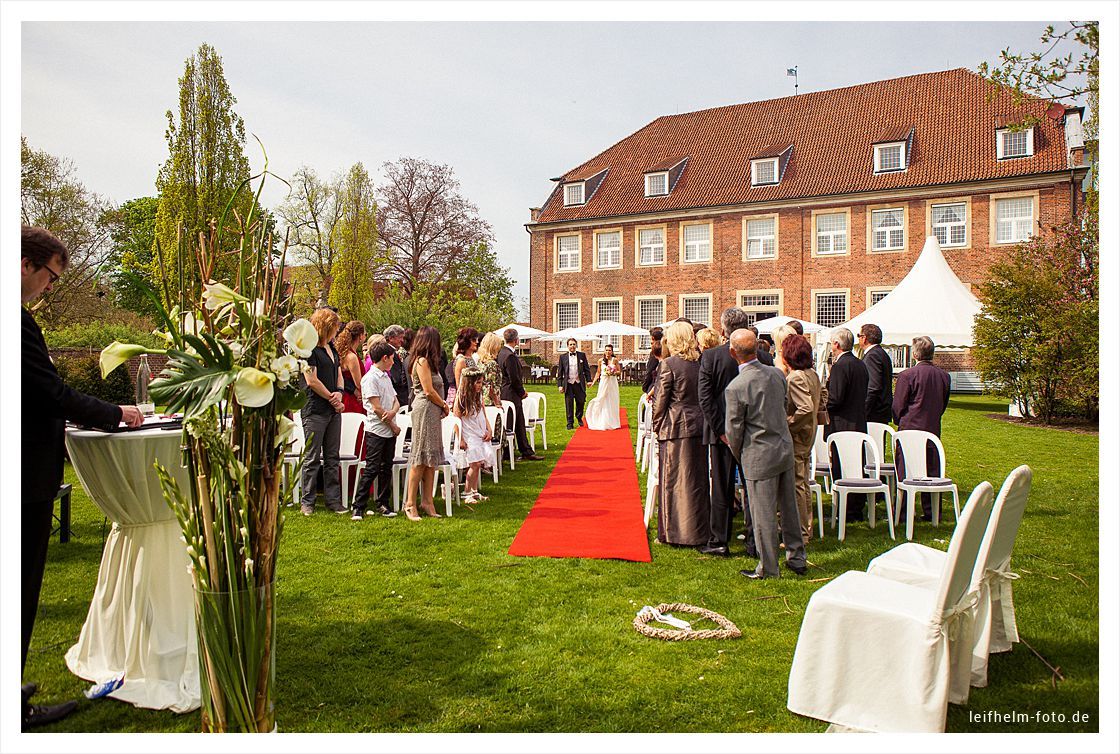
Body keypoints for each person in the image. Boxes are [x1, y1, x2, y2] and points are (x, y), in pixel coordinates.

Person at [20, 226, 144, 729]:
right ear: (26, 264)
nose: (51, 287)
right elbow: (49, 392)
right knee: (20, 585)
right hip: (24, 475)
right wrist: (116, 413)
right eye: (50, 275)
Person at [725, 328, 806, 579]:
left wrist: (739, 453)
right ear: (758, 349)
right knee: (789, 508)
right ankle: (797, 557)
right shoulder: (777, 375)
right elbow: (782, 407)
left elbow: (734, 430)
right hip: (783, 447)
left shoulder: (736, 387)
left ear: (732, 353)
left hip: (758, 454)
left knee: (763, 515)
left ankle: (768, 567)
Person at [697, 307, 755, 558]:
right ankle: (754, 540)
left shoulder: (711, 357)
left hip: (726, 435)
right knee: (751, 488)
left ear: (723, 329)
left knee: (722, 487)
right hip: (750, 432)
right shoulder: (760, 357)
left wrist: (720, 430)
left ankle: (720, 540)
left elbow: (705, 398)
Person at [651, 322, 710, 546]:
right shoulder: (700, 364)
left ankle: (672, 533)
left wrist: (657, 426)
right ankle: (698, 531)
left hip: (675, 427)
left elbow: (660, 401)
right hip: (698, 426)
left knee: (673, 482)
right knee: (696, 482)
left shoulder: (669, 364)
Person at [892, 336, 952, 523]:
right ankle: (932, 511)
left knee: (905, 470)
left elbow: (898, 404)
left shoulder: (907, 375)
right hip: (932, 427)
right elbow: (943, 403)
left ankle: (902, 512)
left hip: (910, 427)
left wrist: (898, 419)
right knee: (932, 469)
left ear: (915, 354)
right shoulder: (944, 376)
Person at [300, 308, 347, 516]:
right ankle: (307, 501)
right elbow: (311, 380)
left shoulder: (332, 348)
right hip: (315, 410)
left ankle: (333, 501)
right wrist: (331, 398)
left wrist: (339, 393)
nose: (337, 331)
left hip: (332, 409)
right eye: (335, 327)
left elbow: (338, 373)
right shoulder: (309, 350)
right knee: (312, 458)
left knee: (332, 457)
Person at [350, 341, 402, 520]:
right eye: (392, 359)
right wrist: (393, 424)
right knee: (372, 468)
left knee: (386, 467)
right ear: (384, 358)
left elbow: (395, 400)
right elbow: (376, 407)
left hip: (389, 429)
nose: (394, 362)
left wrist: (394, 412)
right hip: (377, 430)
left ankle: (383, 502)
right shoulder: (370, 378)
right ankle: (358, 505)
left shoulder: (386, 377)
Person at [404, 326, 451, 520]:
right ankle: (410, 503)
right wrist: (444, 405)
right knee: (420, 458)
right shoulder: (421, 361)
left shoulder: (431, 363)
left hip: (433, 411)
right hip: (424, 410)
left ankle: (427, 501)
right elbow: (428, 390)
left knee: (431, 458)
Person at [824, 327, 869, 521]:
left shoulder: (841, 366)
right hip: (858, 419)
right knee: (857, 465)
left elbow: (836, 398)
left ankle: (846, 508)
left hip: (842, 423)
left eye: (832, 343)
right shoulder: (860, 364)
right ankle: (856, 506)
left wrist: (823, 403)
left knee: (841, 466)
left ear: (837, 344)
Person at [783, 334, 823, 543]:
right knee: (803, 482)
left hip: (799, 435)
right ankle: (806, 527)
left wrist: (788, 424)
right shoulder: (812, 374)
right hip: (809, 433)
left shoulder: (796, 376)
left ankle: (802, 532)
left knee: (798, 483)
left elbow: (805, 408)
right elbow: (821, 398)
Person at [498, 328, 543, 461]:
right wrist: (522, 392)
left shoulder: (501, 353)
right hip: (512, 393)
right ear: (516, 340)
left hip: (505, 392)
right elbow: (515, 378)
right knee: (515, 422)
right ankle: (520, 451)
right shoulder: (510, 356)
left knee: (513, 422)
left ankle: (518, 450)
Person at [454, 367, 493, 503]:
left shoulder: (479, 395)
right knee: (474, 464)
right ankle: (466, 491)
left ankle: (474, 491)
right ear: (469, 383)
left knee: (479, 463)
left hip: (479, 431)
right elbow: (456, 419)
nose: (480, 386)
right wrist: (461, 438)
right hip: (469, 433)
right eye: (477, 383)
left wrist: (489, 429)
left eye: (481, 383)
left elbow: (483, 413)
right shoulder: (461, 398)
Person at [860, 323, 894, 425]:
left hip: (874, 413)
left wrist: (863, 411)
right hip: (880, 411)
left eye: (859, 336)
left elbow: (873, 387)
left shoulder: (872, 356)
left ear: (864, 338)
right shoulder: (881, 353)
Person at [556, 337, 592, 429]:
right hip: (568, 384)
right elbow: (560, 372)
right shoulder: (562, 357)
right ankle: (570, 423)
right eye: (570, 344)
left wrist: (589, 380)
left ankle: (579, 416)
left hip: (579, 383)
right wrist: (560, 385)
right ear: (567, 346)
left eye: (574, 344)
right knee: (569, 404)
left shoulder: (582, 356)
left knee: (581, 401)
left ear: (576, 345)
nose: (572, 346)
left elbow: (586, 369)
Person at [585, 343, 621, 431]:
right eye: (606, 350)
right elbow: (598, 372)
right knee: (601, 399)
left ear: (612, 351)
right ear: (604, 351)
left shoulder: (615, 360)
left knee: (612, 400)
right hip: (604, 382)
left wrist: (613, 372)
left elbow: (619, 372)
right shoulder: (600, 361)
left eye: (609, 350)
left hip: (612, 382)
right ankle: (600, 419)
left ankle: (612, 422)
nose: (608, 352)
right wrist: (593, 382)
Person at [335, 320, 367, 414]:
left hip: (349, 395)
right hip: (352, 399)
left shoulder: (344, 353)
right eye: (365, 334)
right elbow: (359, 383)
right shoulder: (351, 357)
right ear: (360, 336)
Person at [447, 327, 481, 408]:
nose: (477, 342)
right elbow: (460, 386)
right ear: (466, 341)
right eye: (473, 339)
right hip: (465, 403)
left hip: (474, 399)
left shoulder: (470, 358)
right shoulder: (461, 360)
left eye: (476, 339)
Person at [384, 325, 410, 409]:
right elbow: (396, 378)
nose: (402, 340)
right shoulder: (389, 352)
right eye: (400, 337)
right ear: (391, 338)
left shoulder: (393, 351)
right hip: (398, 395)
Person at [476, 332, 505, 408]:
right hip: (490, 402)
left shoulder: (480, 361)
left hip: (481, 399)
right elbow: (491, 386)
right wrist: (497, 402)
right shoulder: (491, 364)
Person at [641, 326, 665, 395]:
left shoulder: (654, 353)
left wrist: (645, 387)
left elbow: (650, 371)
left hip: (653, 385)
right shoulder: (665, 349)